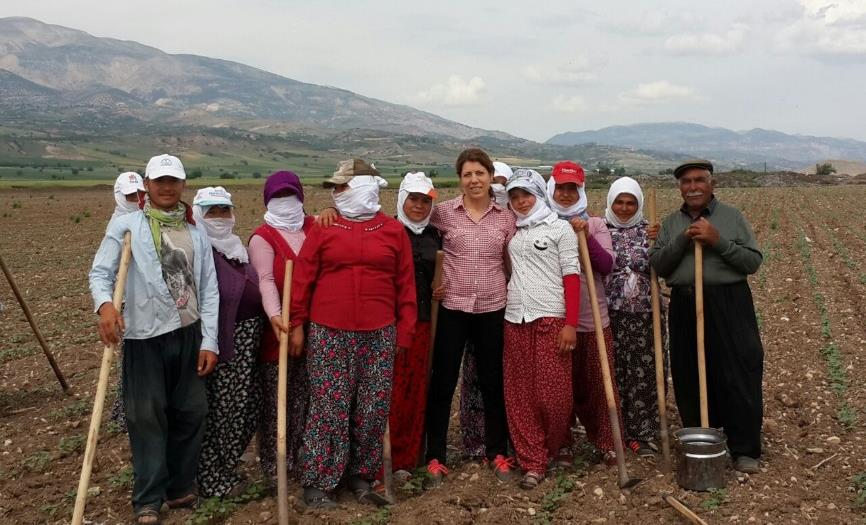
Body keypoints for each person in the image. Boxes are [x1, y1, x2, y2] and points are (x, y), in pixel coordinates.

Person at [89, 154, 219, 525]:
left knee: (191, 411)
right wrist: (105, 308)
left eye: (173, 181)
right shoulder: (127, 226)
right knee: (145, 415)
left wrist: (209, 341)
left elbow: (208, 289)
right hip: (145, 336)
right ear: (147, 185)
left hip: (189, 333)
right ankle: (147, 497)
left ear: (182, 186)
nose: (166, 187)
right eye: (159, 181)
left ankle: (178, 487)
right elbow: (101, 272)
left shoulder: (196, 232)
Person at [290, 159, 416, 509]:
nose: (336, 193)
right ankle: (318, 482)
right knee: (329, 407)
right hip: (329, 331)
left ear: (364, 187)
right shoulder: (325, 226)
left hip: (379, 333)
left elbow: (405, 286)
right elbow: (302, 278)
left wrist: (404, 333)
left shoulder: (393, 231)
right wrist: (297, 322)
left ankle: (362, 476)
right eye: (334, 188)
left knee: (373, 407)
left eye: (343, 187)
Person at [649, 160, 763, 474]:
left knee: (738, 371)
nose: (693, 186)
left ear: (711, 184)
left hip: (728, 301)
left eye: (700, 180)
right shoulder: (672, 223)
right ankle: (702, 442)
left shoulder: (731, 218)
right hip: (685, 303)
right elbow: (658, 264)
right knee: (689, 374)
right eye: (686, 181)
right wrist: (684, 238)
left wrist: (717, 240)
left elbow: (752, 261)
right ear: (680, 187)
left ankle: (744, 448)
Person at [424, 148, 517, 486]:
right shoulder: (443, 214)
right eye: (468, 174)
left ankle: (497, 452)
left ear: (491, 175)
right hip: (453, 310)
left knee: (493, 383)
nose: (474, 180)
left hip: (493, 308)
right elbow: (411, 228)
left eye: (480, 173)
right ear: (460, 179)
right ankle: (435, 455)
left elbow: (511, 262)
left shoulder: (506, 217)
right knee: (443, 381)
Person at [502, 169, 580, 489]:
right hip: (515, 318)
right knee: (520, 395)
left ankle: (556, 443)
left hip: (551, 319)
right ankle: (532, 461)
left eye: (526, 194)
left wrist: (571, 324)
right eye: (515, 196)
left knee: (554, 396)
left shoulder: (560, 228)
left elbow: (572, 277)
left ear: (539, 194)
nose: (521, 202)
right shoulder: (512, 231)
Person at [546, 160, 625, 466]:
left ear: (580, 191)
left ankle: (606, 441)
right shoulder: (542, 224)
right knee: (560, 387)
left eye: (572, 189)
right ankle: (562, 443)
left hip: (592, 319)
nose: (566, 195)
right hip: (555, 318)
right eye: (560, 188)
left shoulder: (594, 224)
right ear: (551, 189)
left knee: (599, 385)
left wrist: (585, 237)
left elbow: (606, 266)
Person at [192, 186, 265, 498]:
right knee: (220, 410)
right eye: (212, 211)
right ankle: (210, 479)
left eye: (224, 210)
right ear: (198, 214)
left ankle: (226, 466)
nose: (220, 217)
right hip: (220, 341)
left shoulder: (236, 247)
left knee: (247, 407)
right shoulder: (197, 250)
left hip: (250, 338)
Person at [247, 171, 315, 485]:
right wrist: (279, 319)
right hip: (280, 329)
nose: (285, 203)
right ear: (267, 200)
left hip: (317, 324)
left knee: (307, 395)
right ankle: (276, 464)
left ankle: (302, 456)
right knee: (279, 397)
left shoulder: (313, 227)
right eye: (278, 197)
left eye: (291, 196)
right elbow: (265, 281)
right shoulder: (263, 236)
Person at [603, 177, 663, 457]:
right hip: (611, 312)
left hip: (645, 313)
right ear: (610, 202)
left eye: (631, 203)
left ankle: (644, 432)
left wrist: (661, 241)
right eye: (619, 202)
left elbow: (664, 264)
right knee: (615, 372)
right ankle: (616, 431)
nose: (625, 208)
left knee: (645, 373)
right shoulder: (600, 230)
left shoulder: (649, 231)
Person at [388, 171, 440, 476]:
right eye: (413, 199)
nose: (419, 206)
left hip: (426, 322)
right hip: (393, 323)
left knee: (418, 388)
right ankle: (387, 456)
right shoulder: (389, 230)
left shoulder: (435, 235)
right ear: (401, 199)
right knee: (393, 390)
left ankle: (410, 456)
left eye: (424, 201)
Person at [107, 171, 146, 432]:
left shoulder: (145, 219)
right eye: (130, 195)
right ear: (119, 196)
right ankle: (128, 410)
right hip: (127, 300)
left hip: (146, 297)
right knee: (134, 354)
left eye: (140, 194)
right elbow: (106, 270)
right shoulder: (118, 225)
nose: (136, 199)